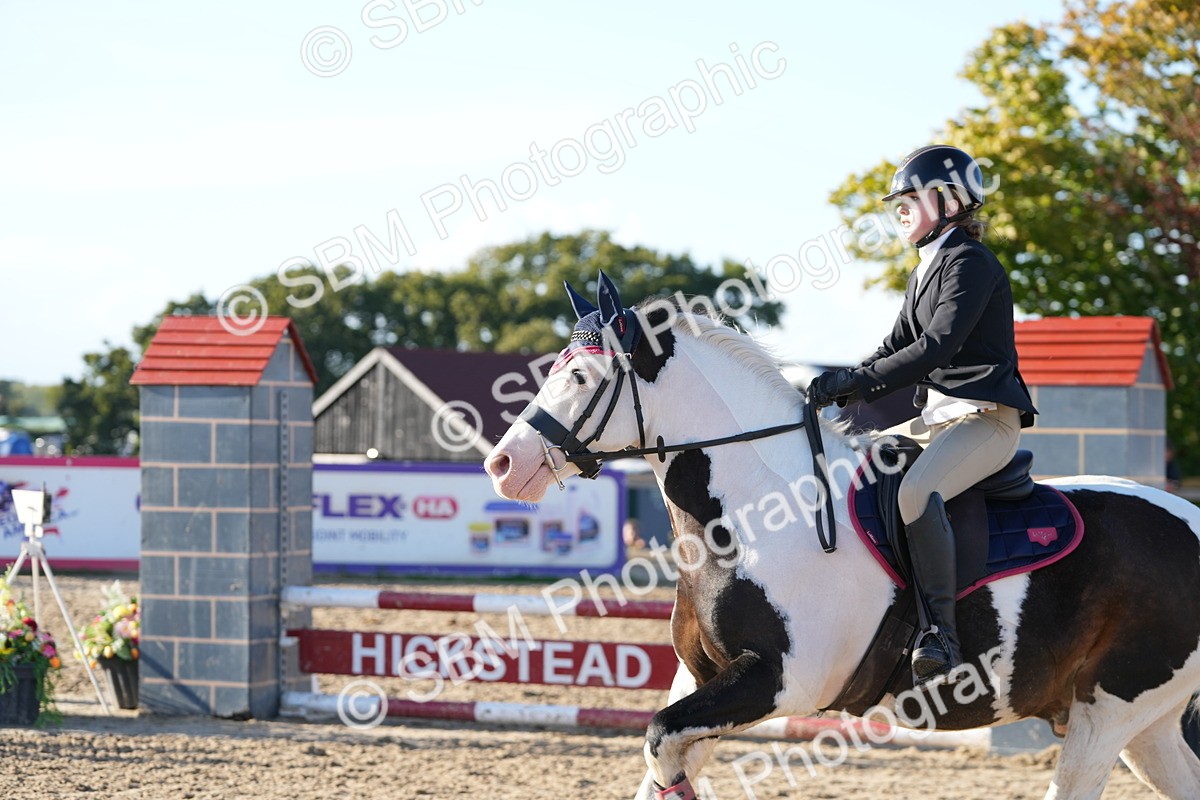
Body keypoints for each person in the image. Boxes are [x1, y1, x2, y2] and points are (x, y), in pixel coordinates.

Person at [807, 144, 1037, 683]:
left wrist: (855, 382)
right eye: (900, 201)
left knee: (915, 493)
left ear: (950, 200)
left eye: (911, 198)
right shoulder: (926, 270)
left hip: (985, 420)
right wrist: (835, 389)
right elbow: (893, 347)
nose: (901, 209)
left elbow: (934, 348)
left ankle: (940, 633)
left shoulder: (970, 264)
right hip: (938, 420)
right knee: (858, 467)